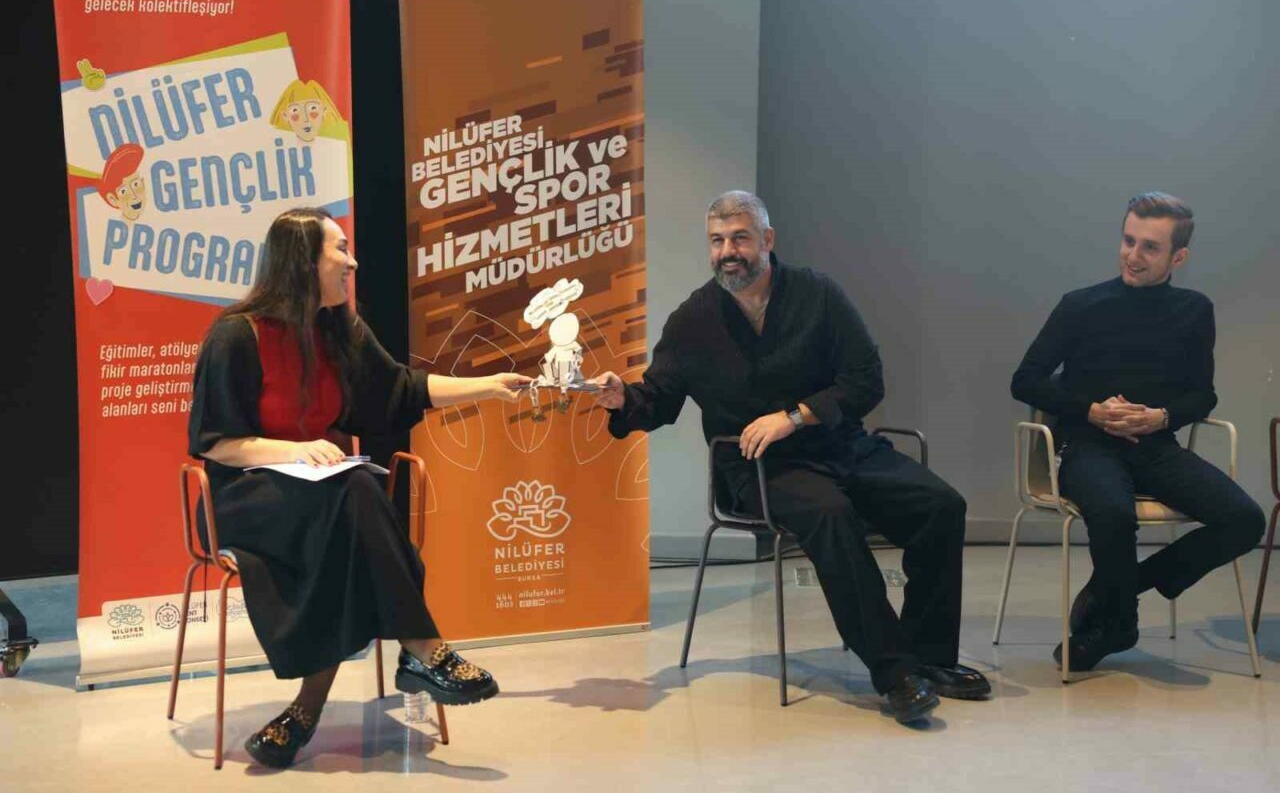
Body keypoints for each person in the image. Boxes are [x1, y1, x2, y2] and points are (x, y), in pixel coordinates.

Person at [591, 191, 989, 725]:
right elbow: (659, 398)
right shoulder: (694, 319)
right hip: (756, 467)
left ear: (767, 240)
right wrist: (623, 398)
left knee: (941, 505)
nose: (727, 252)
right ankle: (895, 672)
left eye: (739, 238)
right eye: (717, 241)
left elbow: (865, 379)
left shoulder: (817, 294)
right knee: (830, 513)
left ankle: (930, 657)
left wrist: (796, 416)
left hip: (838, 443)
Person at [188, 206, 525, 768]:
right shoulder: (236, 335)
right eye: (340, 250)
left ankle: (306, 711)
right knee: (355, 498)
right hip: (245, 497)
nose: (353, 262)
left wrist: (488, 386)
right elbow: (215, 442)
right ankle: (423, 648)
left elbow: (402, 388)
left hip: (322, 497)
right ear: (303, 262)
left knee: (354, 506)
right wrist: (293, 451)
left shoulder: (339, 330)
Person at [1011, 192, 1264, 671]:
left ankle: (1121, 589)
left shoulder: (1194, 310)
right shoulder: (1080, 305)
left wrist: (1161, 417)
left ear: (1178, 257)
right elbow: (1025, 380)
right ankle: (1117, 625)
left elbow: (1202, 395)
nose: (1133, 254)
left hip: (1155, 446)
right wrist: (1090, 412)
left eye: (1150, 247)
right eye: (1128, 240)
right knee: (1112, 512)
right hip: (1087, 446)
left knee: (1245, 520)